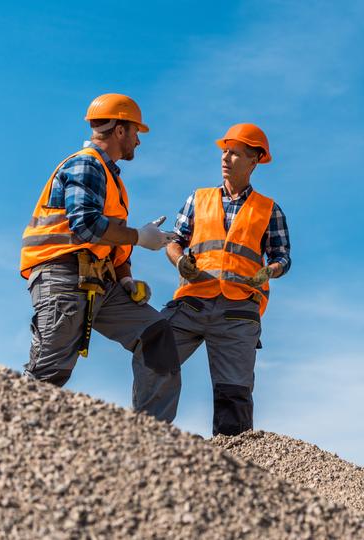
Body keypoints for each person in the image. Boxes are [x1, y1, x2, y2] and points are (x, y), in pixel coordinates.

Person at [133, 123, 291, 436]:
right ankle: (146, 438)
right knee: (154, 352)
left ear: (254, 161)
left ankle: (228, 465)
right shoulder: (198, 199)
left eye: (234, 154)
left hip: (239, 311)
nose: (225, 158)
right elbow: (174, 240)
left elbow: (282, 257)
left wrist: (269, 271)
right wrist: (180, 261)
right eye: (224, 152)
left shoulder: (268, 210)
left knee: (234, 393)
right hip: (192, 300)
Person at [20, 93, 180, 388]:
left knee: (155, 332)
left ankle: (151, 432)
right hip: (64, 278)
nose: (138, 141)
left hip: (99, 282)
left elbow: (109, 239)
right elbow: (87, 226)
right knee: (46, 376)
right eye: (136, 132)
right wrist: (140, 237)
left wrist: (125, 278)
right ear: (120, 130)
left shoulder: (110, 177)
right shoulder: (88, 165)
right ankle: (11, 431)